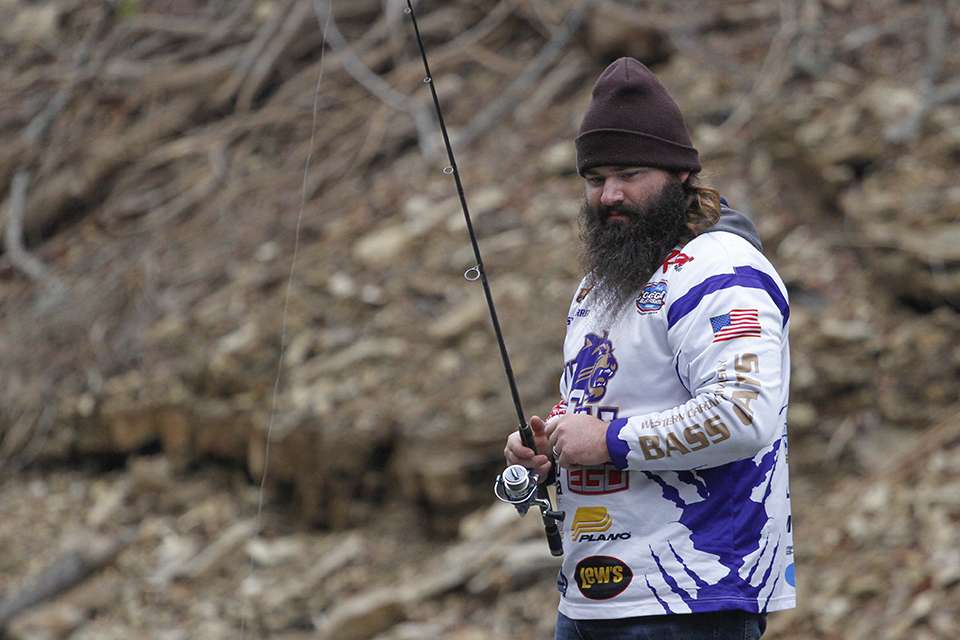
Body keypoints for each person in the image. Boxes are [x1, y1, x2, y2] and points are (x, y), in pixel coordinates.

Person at [504, 57, 795, 640]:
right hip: (590, 599)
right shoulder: (599, 287)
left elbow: (743, 414)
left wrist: (607, 441)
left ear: (680, 174)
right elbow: (600, 411)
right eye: (594, 179)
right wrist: (547, 448)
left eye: (630, 173)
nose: (610, 194)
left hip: (694, 599)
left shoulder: (724, 270)